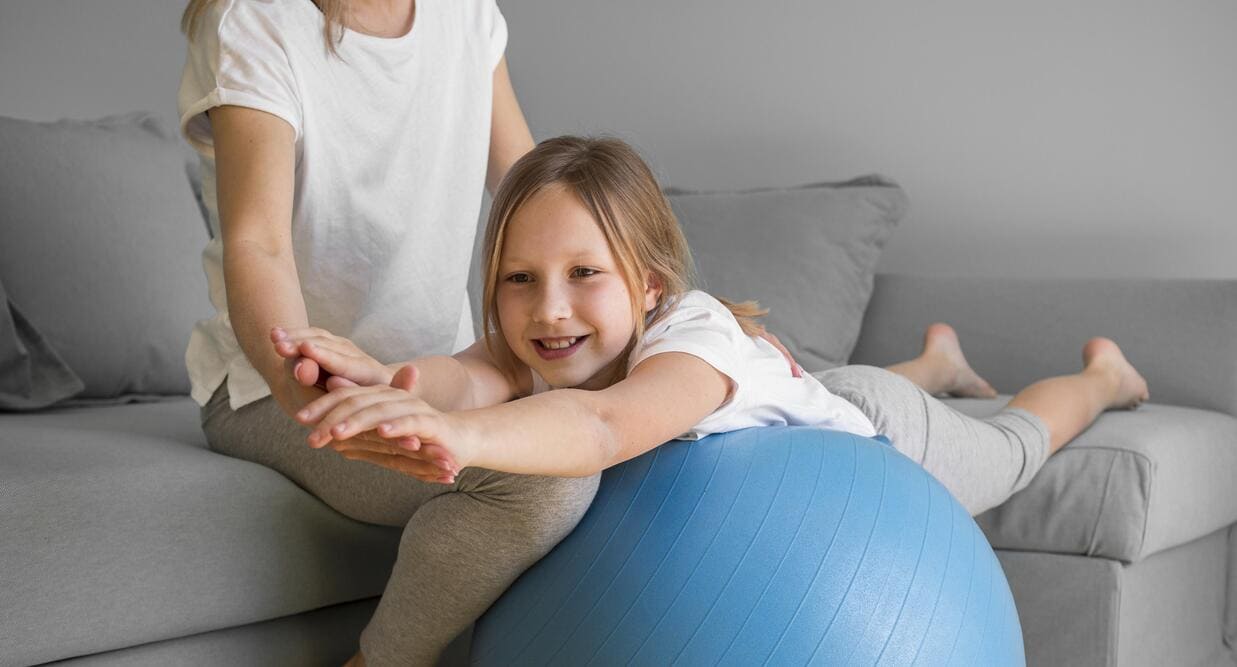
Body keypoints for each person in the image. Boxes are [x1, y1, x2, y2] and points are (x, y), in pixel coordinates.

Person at [278, 136, 1150, 526]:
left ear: (649, 284)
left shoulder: (689, 333)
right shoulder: (535, 342)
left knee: (1013, 443)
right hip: (816, 401)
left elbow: (603, 425)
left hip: (886, 437)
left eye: (585, 275)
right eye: (518, 279)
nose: (547, 309)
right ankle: (935, 359)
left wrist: (459, 436)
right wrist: (388, 381)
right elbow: (464, 378)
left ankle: (1102, 378)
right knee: (822, 383)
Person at [176, 2, 656, 665]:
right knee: (548, 480)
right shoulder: (255, 17)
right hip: (273, 385)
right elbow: (257, 245)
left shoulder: (465, 14)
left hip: (447, 373)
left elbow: (534, 190)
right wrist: (301, 381)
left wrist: (679, 325)